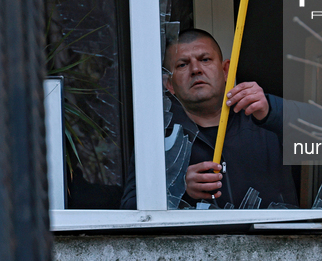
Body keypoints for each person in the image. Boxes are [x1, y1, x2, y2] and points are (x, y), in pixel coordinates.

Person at [121, 29, 299, 209]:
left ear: (225, 70)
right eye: (182, 64)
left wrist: (272, 110)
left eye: (205, 60)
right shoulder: (161, 138)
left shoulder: (262, 118)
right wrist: (176, 187)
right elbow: (129, 209)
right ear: (169, 84)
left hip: (274, 237)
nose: (196, 69)